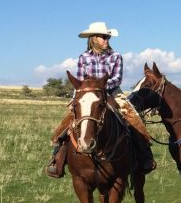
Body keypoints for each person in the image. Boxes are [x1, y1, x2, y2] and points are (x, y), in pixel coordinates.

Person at [45, 21, 155, 178]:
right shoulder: (83, 58)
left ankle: (145, 155)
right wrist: (75, 99)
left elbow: (117, 79)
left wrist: (99, 87)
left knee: (133, 117)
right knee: (68, 121)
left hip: (112, 92)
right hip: (87, 94)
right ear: (93, 39)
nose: (106, 40)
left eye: (107, 37)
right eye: (103, 37)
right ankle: (57, 158)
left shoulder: (116, 56)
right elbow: (80, 82)